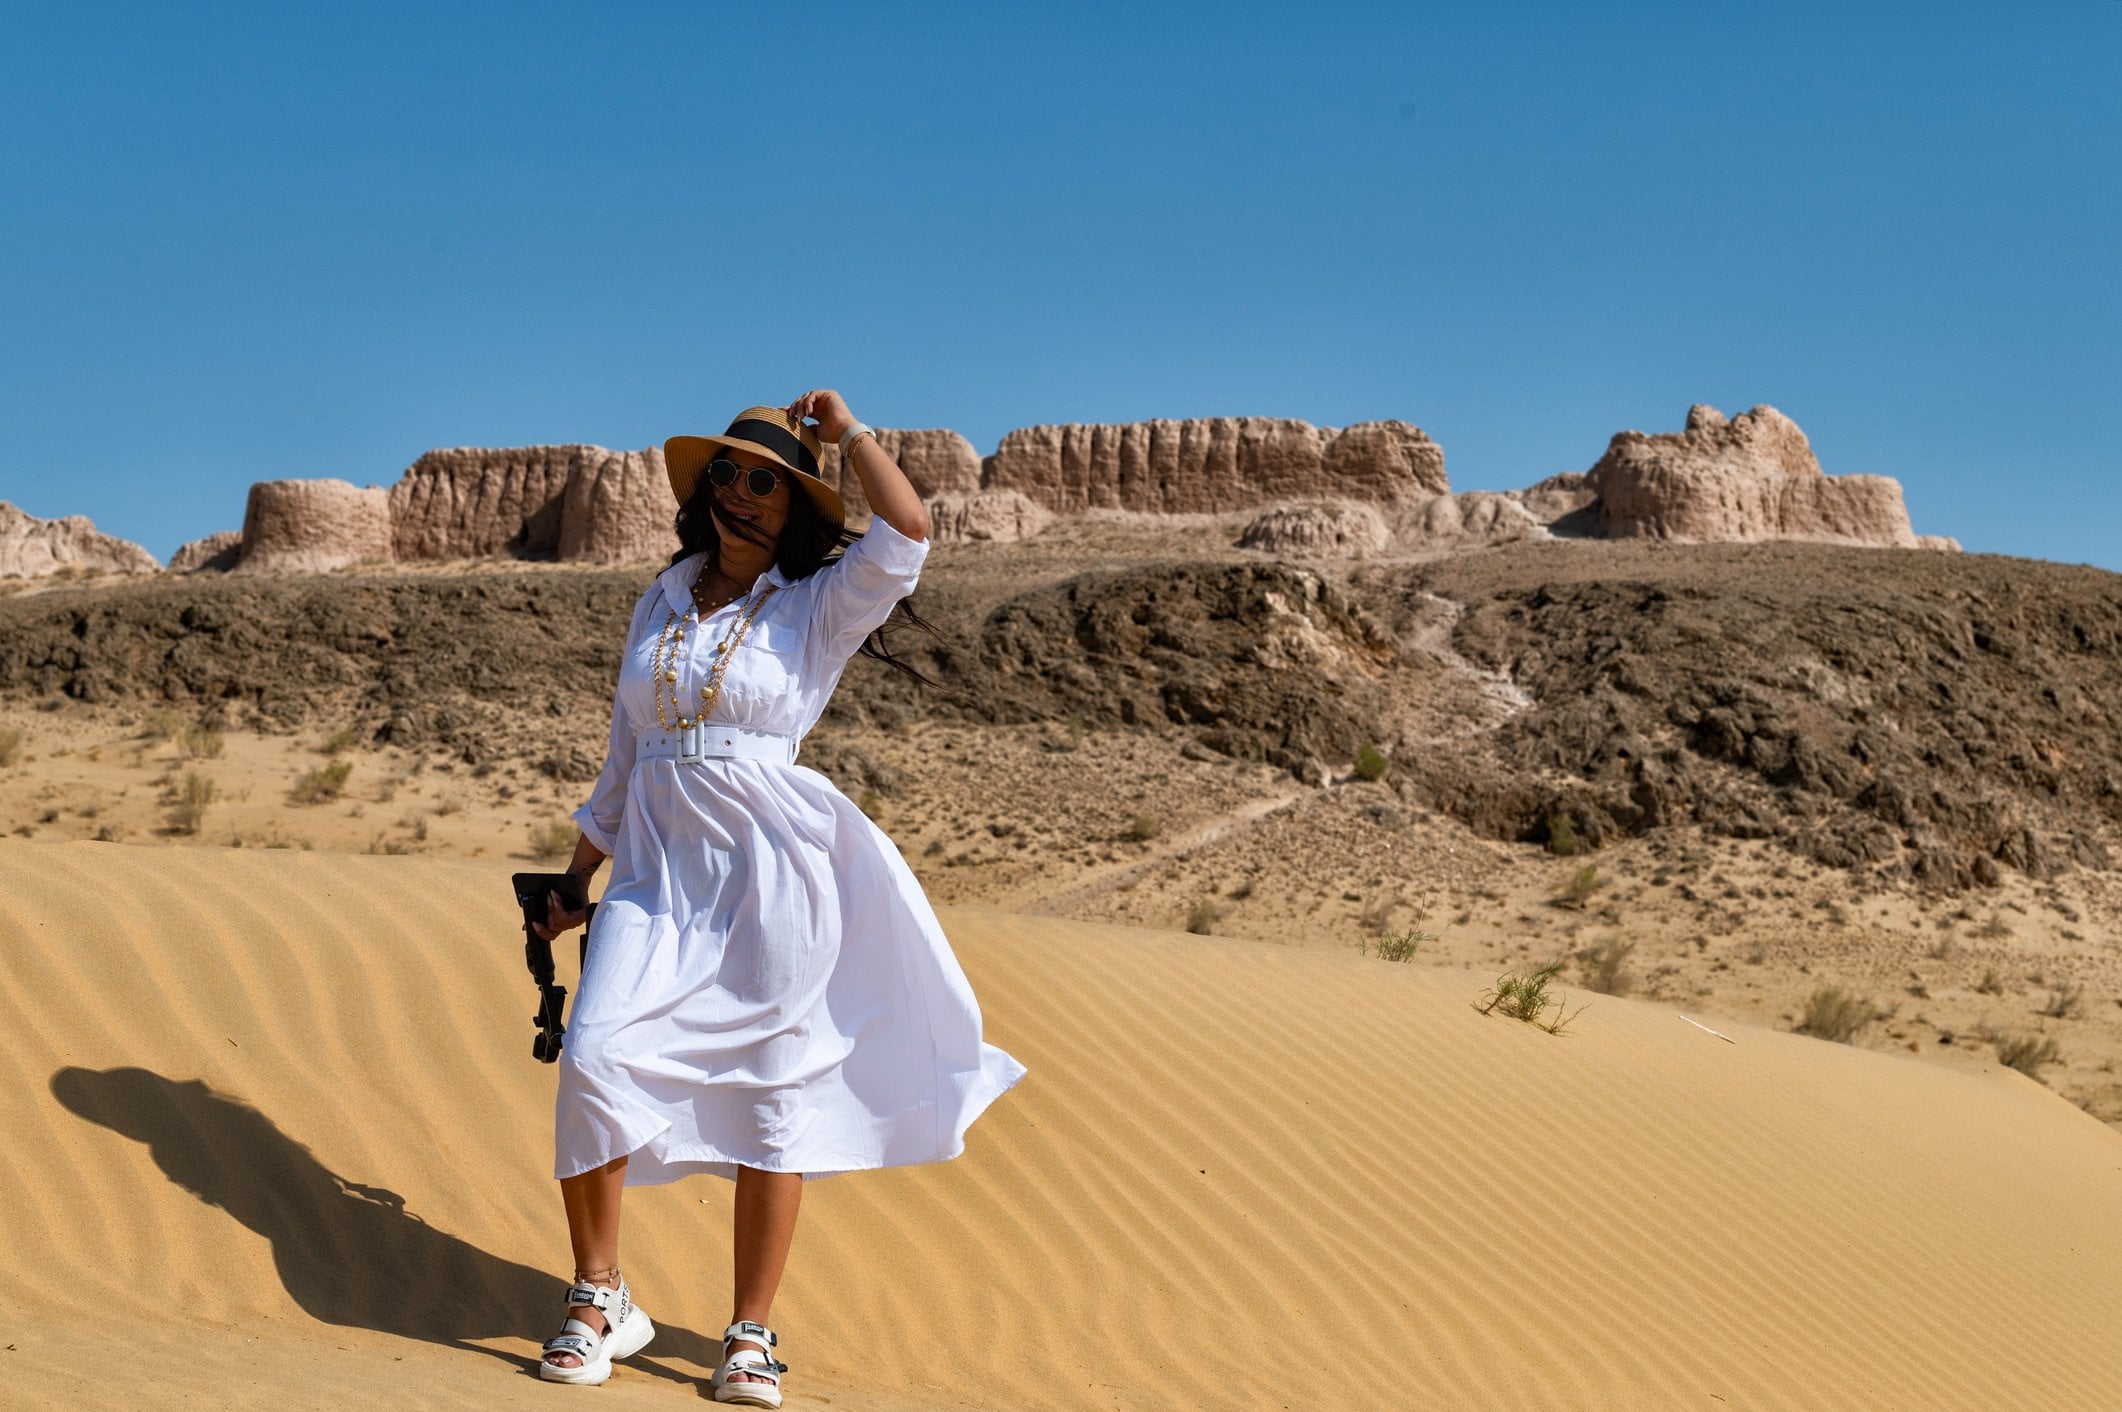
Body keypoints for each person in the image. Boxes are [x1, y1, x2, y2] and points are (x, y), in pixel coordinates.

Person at [527, 391, 1029, 1402]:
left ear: (796, 504)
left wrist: (845, 435)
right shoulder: (662, 595)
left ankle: (748, 1332)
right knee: (592, 1058)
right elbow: (626, 757)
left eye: (763, 481)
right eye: (726, 474)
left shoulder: (816, 604)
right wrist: (575, 876)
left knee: (772, 1099)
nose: (739, 494)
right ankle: (601, 1294)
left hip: (774, 874)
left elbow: (909, 533)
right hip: (658, 877)